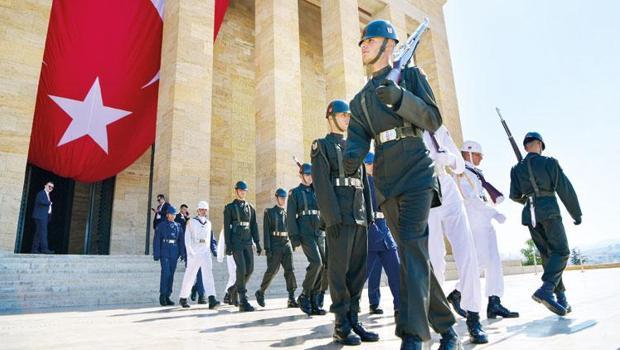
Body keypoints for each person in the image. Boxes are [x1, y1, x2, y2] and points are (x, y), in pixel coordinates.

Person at [342, 19, 459, 350]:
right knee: (413, 251)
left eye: (370, 39)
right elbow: (357, 140)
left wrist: (400, 99)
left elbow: (433, 119)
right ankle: (447, 329)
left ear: (389, 45)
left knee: (410, 246)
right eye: (362, 41)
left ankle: (411, 336)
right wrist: (348, 161)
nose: (362, 45)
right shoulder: (360, 99)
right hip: (386, 179)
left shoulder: (410, 77)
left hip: (418, 171)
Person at [312, 99, 378, 345]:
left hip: (359, 216)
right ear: (330, 116)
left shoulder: (354, 146)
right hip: (339, 217)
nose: (347, 119)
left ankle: (353, 318)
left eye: (349, 115)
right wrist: (331, 218)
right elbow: (321, 183)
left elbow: (363, 183)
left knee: (358, 272)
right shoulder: (322, 145)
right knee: (339, 273)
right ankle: (340, 324)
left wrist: (369, 215)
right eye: (343, 115)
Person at [423, 126, 487, 344]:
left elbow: (459, 164)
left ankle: (473, 315)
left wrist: (448, 158)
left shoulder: (437, 127)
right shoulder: (405, 125)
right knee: (435, 258)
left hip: (447, 186)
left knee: (467, 251)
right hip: (424, 189)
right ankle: (441, 318)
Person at [510, 132, 582, 316]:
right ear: (540, 145)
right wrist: (576, 213)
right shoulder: (549, 162)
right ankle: (546, 289)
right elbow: (564, 188)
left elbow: (515, 196)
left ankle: (561, 298)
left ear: (526, 147)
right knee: (562, 251)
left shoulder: (517, 168)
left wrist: (529, 196)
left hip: (530, 215)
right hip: (549, 210)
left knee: (549, 257)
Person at [456, 141, 519, 319]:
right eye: (478, 154)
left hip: (485, 220)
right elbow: (471, 199)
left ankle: (494, 301)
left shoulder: (477, 173)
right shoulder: (462, 173)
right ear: (468, 153)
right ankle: (457, 293)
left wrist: (491, 211)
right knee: (481, 260)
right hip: (475, 220)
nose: (481, 158)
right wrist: (493, 212)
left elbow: (483, 196)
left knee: (494, 262)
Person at [287, 163, 328, 316]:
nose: (311, 177)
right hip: (305, 232)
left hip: (319, 231)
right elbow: (290, 217)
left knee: (324, 266)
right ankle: (304, 294)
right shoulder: (295, 193)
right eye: (308, 174)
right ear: (301, 175)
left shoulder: (317, 191)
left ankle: (314, 300)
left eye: (312, 174)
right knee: (316, 262)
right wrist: (294, 237)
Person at [363, 152, 400, 316]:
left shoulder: (383, 181)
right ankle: (367, 303)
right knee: (368, 273)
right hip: (371, 231)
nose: (373, 166)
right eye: (369, 163)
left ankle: (400, 306)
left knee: (396, 271)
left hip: (386, 230)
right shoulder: (362, 184)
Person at [255, 188, 298, 308]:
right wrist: (267, 249)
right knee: (272, 271)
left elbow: (291, 229)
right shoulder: (269, 212)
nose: (283, 200)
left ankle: (291, 298)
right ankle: (261, 292)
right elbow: (266, 232)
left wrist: (293, 244)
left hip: (286, 243)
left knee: (290, 271)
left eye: (284, 198)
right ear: (276, 198)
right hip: (275, 244)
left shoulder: (287, 213)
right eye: (281, 197)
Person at [224, 180, 262, 312]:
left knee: (249, 269)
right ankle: (242, 299)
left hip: (247, 241)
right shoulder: (229, 208)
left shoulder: (250, 207)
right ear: (236, 191)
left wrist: (257, 243)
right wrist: (228, 246)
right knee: (241, 268)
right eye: (240, 190)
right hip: (236, 242)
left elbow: (253, 226)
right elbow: (227, 229)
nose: (242, 192)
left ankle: (233, 289)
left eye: (244, 190)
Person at [178, 201, 220, 309]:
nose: (203, 211)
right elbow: (187, 237)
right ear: (197, 210)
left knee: (208, 275)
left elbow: (210, 239)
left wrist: (214, 251)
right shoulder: (191, 222)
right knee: (190, 275)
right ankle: (183, 298)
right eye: (201, 209)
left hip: (205, 251)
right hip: (195, 250)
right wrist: (189, 251)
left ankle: (212, 298)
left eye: (205, 210)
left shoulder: (209, 223)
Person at [153, 205, 183, 306]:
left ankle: (168, 295)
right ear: (167, 215)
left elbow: (181, 241)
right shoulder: (161, 226)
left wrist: (182, 253)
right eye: (170, 214)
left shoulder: (178, 226)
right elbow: (156, 240)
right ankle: (162, 295)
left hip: (174, 251)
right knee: (166, 273)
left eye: (174, 214)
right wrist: (156, 253)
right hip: (164, 251)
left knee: (171, 274)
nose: (172, 216)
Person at [175, 204, 205, 303]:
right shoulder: (178, 219)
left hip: (199, 251)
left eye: (186, 210)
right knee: (191, 273)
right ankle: (187, 294)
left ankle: (201, 295)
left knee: (200, 273)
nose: (185, 211)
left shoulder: (191, 221)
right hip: (188, 250)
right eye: (183, 209)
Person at [31, 181, 55, 254]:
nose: (50, 188)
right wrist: (49, 203)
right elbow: (40, 201)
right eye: (49, 186)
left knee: (38, 233)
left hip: (44, 216)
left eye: (52, 187)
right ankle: (44, 249)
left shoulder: (47, 194)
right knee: (43, 232)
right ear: (45, 186)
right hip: (40, 216)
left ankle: (34, 249)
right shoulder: (41, 193)